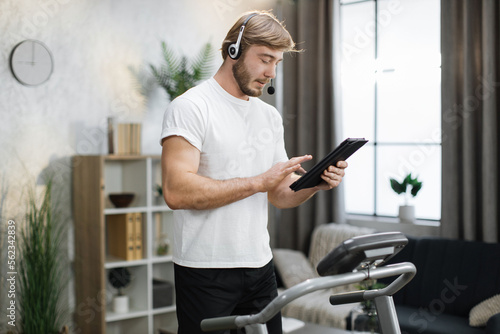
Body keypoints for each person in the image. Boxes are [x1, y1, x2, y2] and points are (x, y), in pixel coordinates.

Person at [159, 10, 348, 334]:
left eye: (277, 62)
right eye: (264, 59)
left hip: (260, 266)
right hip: (206, 271)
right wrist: (258, 181)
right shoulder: (191, 107)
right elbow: (176, 191)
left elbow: (280, 195)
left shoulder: (269, 117)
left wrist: (315, 183)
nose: (271, 72)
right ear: (234, 50)